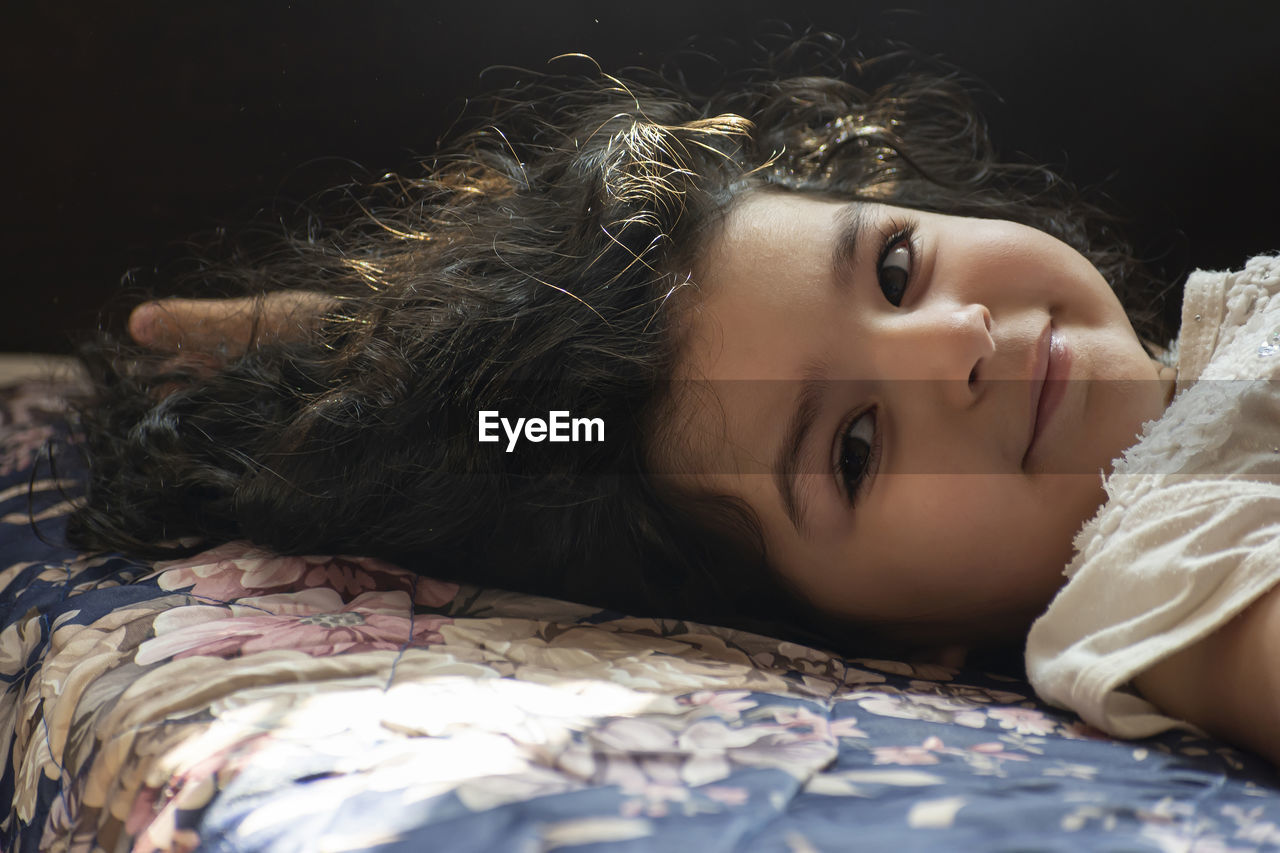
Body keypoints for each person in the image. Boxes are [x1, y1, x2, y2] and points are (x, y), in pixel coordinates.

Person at [69, 41, 1280, 762]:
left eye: (896, 268)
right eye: (852, 449)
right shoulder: (1159, 577)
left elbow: (583, 414)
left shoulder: (1205, 348)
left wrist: (368, 348)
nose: (955, 345)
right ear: (895, 647)